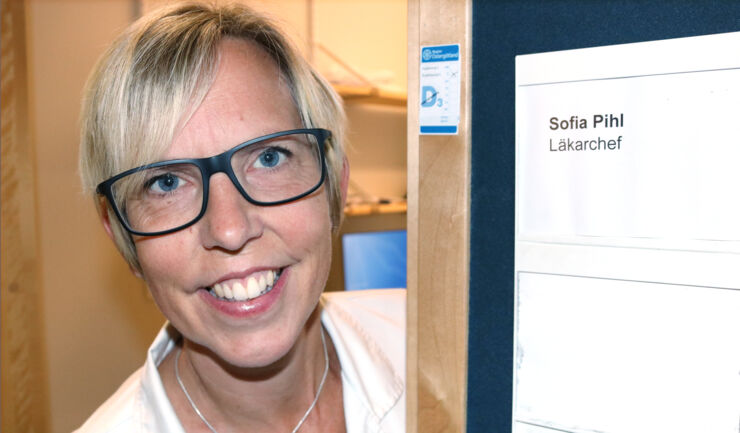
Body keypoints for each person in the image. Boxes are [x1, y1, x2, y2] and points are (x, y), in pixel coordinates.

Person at [76, 2, 405, 432]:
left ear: (335, 185)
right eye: (167, 183)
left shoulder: (453, 349)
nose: (230, 230)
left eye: (269, 158)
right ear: (119, 232)